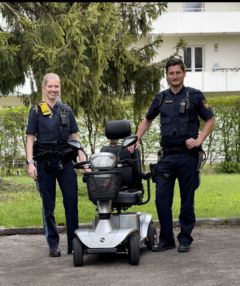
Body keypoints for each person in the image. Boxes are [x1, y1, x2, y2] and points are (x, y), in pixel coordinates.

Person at [129, 57, 215, 253]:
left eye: (178, 72)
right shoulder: (160, 98)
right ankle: (167, 239)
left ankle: (185, 238)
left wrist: (199, 139)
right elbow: (147, 119)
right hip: (166, 157)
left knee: (187, 200)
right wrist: (137, 138)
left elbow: (210, 120)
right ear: (167, 76)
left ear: (184, 73)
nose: (174, 76)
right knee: (161, 199)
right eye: (171, 73)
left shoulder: (195, 96)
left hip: (188, 157)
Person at [26, 73, 86, 257]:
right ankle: (53, 243)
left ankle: (73, 243)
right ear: (44, 88)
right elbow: (30, 139)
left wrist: (84, 162)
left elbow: (76, 139)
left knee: (71, 202)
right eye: (50, 86)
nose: (53, 90)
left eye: (56, 86)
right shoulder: (36, 111)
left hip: (65, 162)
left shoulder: (66, 110)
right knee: (48, 205)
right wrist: (30, 163)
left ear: (59, 87)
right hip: (44, 163)